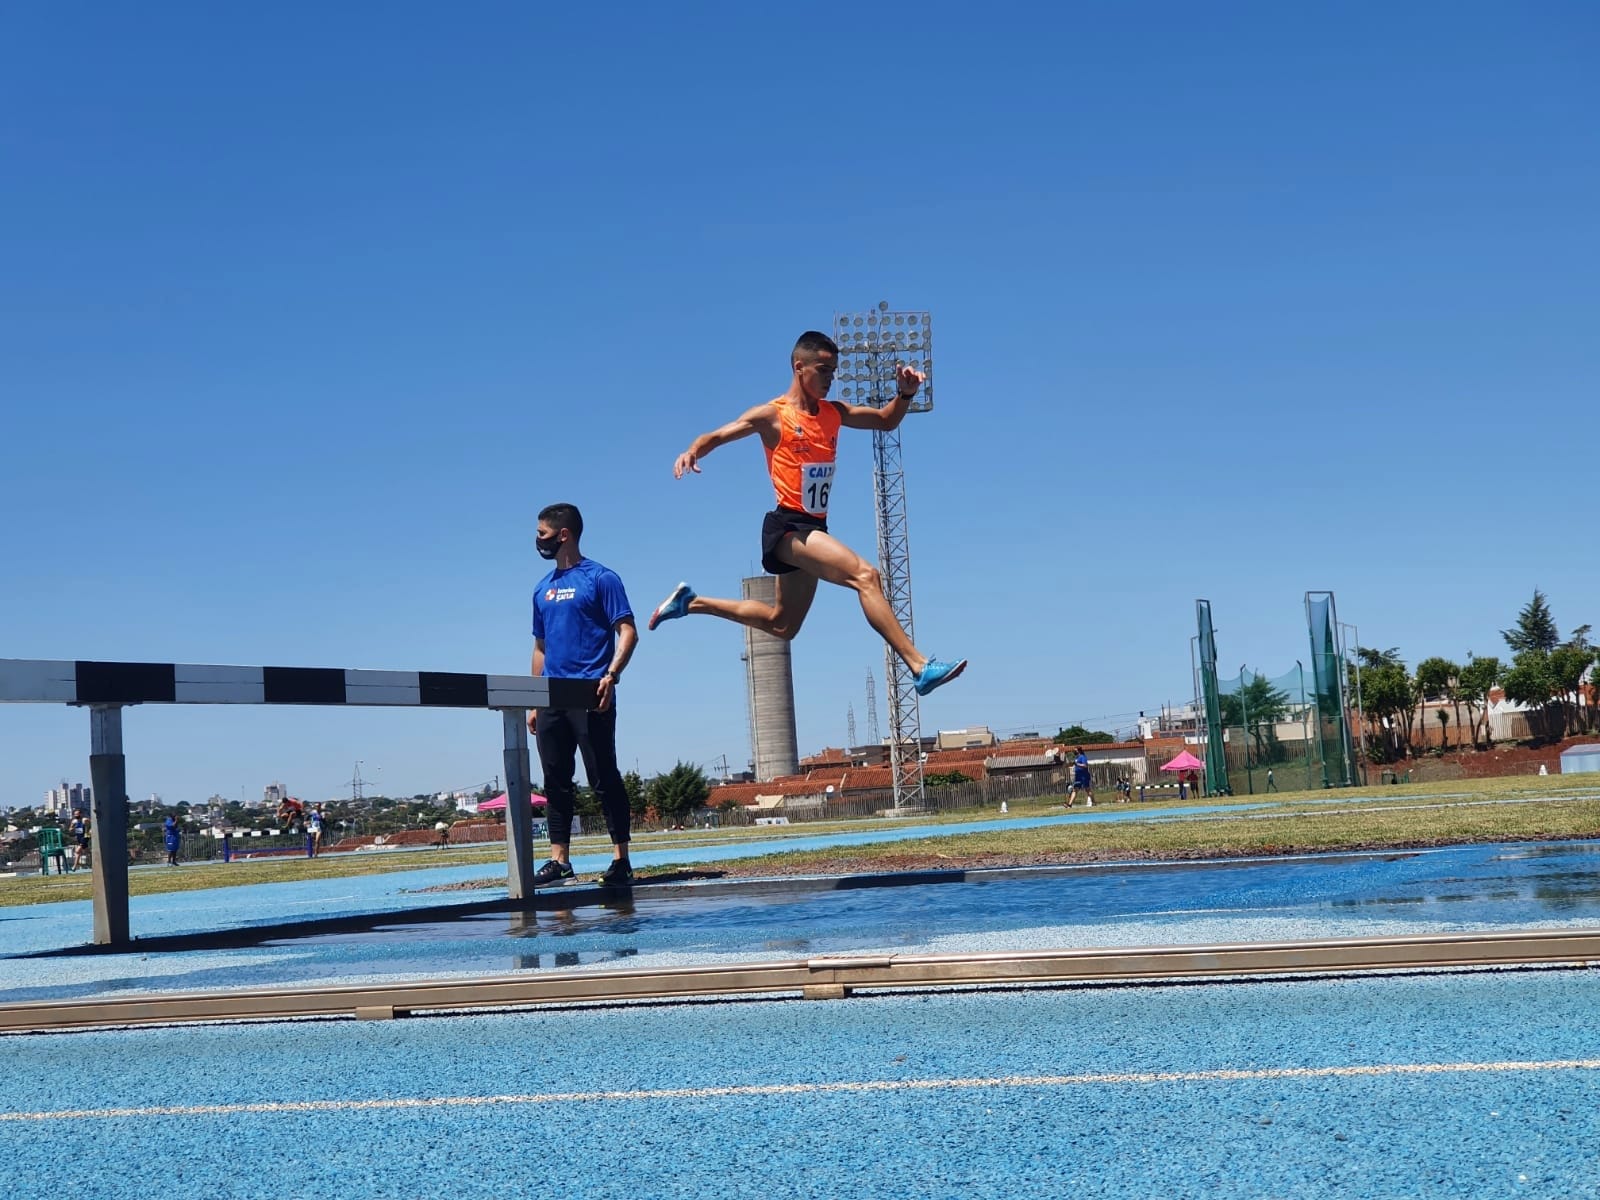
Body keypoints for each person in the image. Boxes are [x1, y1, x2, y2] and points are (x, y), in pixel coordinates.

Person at [647, 330, 965, 697]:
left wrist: (905, 394)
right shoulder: (773, 415)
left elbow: (885, 420)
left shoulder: (834, 413)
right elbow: (718, 435)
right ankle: (919, 665)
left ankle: (691, 602)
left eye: (834, 371)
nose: (831, 378)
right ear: (800, 368)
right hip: (788, 528)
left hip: (814, 528)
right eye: (824, 369)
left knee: (783, 625)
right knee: (865, 575)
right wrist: (692, 452)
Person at [528, 502, 638, 888]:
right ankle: (560, 861)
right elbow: (540, 648)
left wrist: (612, 674)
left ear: (563, 535)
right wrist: (532, 698)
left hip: (592, 692)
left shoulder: (602, 578)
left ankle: (620, 859)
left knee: (603, 776)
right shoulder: (542, 588)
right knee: (555, 780)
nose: (536, 540)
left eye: (541, 534)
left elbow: (628, 632)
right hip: (552, 697)